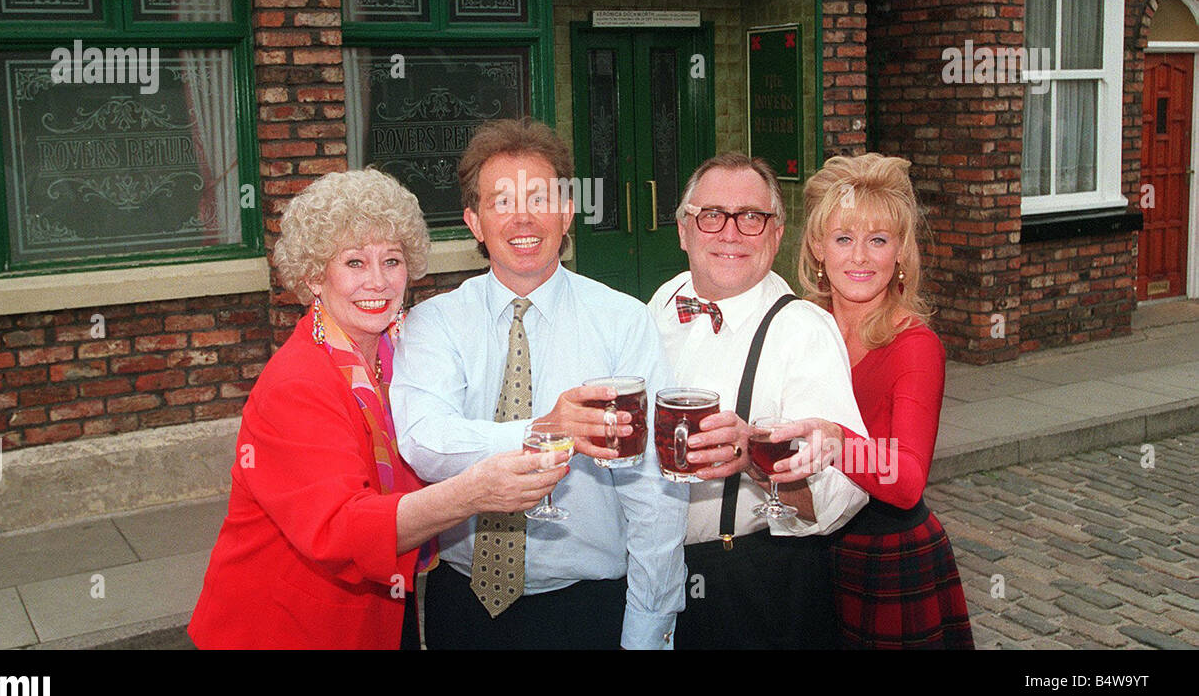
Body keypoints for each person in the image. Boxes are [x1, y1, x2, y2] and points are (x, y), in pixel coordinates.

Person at [188, 168, 569, 649]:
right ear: (313, 276)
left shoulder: (403, 352)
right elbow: (341, 530)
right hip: (286, 626)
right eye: (353, 262)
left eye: (391, 260)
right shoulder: (297, 385)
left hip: (383, 612)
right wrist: (470, 493)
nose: (377, 281)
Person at [392, 117, 688, 649]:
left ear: (568, 210)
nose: (522, 216)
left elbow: (651, 488)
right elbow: (424, 442)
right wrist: (544, 430)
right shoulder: (434, 323)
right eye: (500, 201)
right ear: (474, 222)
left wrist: (650, 623)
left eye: (539, 197)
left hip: (586, 610)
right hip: (463, 606)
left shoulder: (622, 321)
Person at [647, 152, 869, 649]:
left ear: (776, 233)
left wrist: (756, 461)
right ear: (684, 230)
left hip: (754, 585)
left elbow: (842, 495)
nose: (730, 233)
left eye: (751, 217)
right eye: (712, 215)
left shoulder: (803, 331)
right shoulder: (664, 301)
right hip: (655, 575)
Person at [769, 151, 974, 648]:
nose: (859, 257)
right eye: (843, 238)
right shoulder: (799, 326)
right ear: (818, 247)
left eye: (877, 240)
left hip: (886, 559)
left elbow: (906, 482)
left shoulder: (916, 346)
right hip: (805, 551)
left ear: (900, 251)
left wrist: (838, 443)